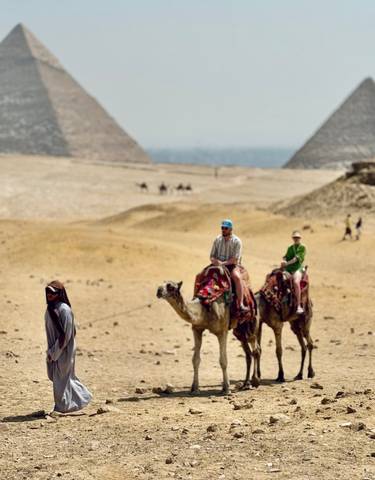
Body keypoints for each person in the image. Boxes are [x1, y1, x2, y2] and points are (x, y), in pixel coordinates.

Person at [45, 280, 92, 413]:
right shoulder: (50, 309)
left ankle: (61, 408)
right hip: (54, 350)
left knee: (61, 379)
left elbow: (64, 337)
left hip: (64, 351)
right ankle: (83, 398)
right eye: (48, 292)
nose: (50, 295)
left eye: (53, 293)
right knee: (60, 378)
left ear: (60, 294)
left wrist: (54, 353)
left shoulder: (64, 310)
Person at [210, 219, 248, 312]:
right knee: (201, 275)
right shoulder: (217, 239)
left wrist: (223, 264)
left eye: (225, 228)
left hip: (231, 265)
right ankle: (198, 297)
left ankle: (241, 303)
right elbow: (212, 256)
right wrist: (216, 262)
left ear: (231, 229)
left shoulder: (237, 241)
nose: (223, 230)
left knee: (237, 278)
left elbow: (235, 259)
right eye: (222, 228)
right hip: (217, 264)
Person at [280, 231, 306, 315]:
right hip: (288, 269)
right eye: (294, 238)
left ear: (300, 238)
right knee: (280, 279)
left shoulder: (302, 247)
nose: (296, 239)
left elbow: (296, 259)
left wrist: (286, 263)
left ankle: (298, 305)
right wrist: (283, 260)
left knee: (295, 282)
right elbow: (286, 256)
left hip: (297, 268)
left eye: (297, 238)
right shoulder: (290, 248)